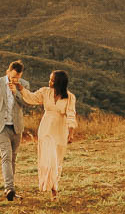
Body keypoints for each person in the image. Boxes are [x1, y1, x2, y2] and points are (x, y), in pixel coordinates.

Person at [12, 69, 77, 200]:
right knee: (47, 160)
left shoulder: (69, 97)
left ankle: (54, 188)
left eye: (52, 80)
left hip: (60, 130)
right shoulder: (45, 92)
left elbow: (71, 115)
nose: (49, 82)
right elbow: (31, 98)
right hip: (46, 128)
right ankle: (50, 187)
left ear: (59, 82)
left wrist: (70, 134)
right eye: (50, 79)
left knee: (56, 161)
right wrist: (21, 88)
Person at [0, 60, 32, 201]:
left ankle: (10, 188)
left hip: (17, 127)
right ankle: (9, 188)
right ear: (7, 72)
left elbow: (27, 104)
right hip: (1, 126)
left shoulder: (24, 84)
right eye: (12, 77)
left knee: (13, 158)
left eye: (17, 77)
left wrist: (16, 92)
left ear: (21, 75)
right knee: (6, 156)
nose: (14, 79)